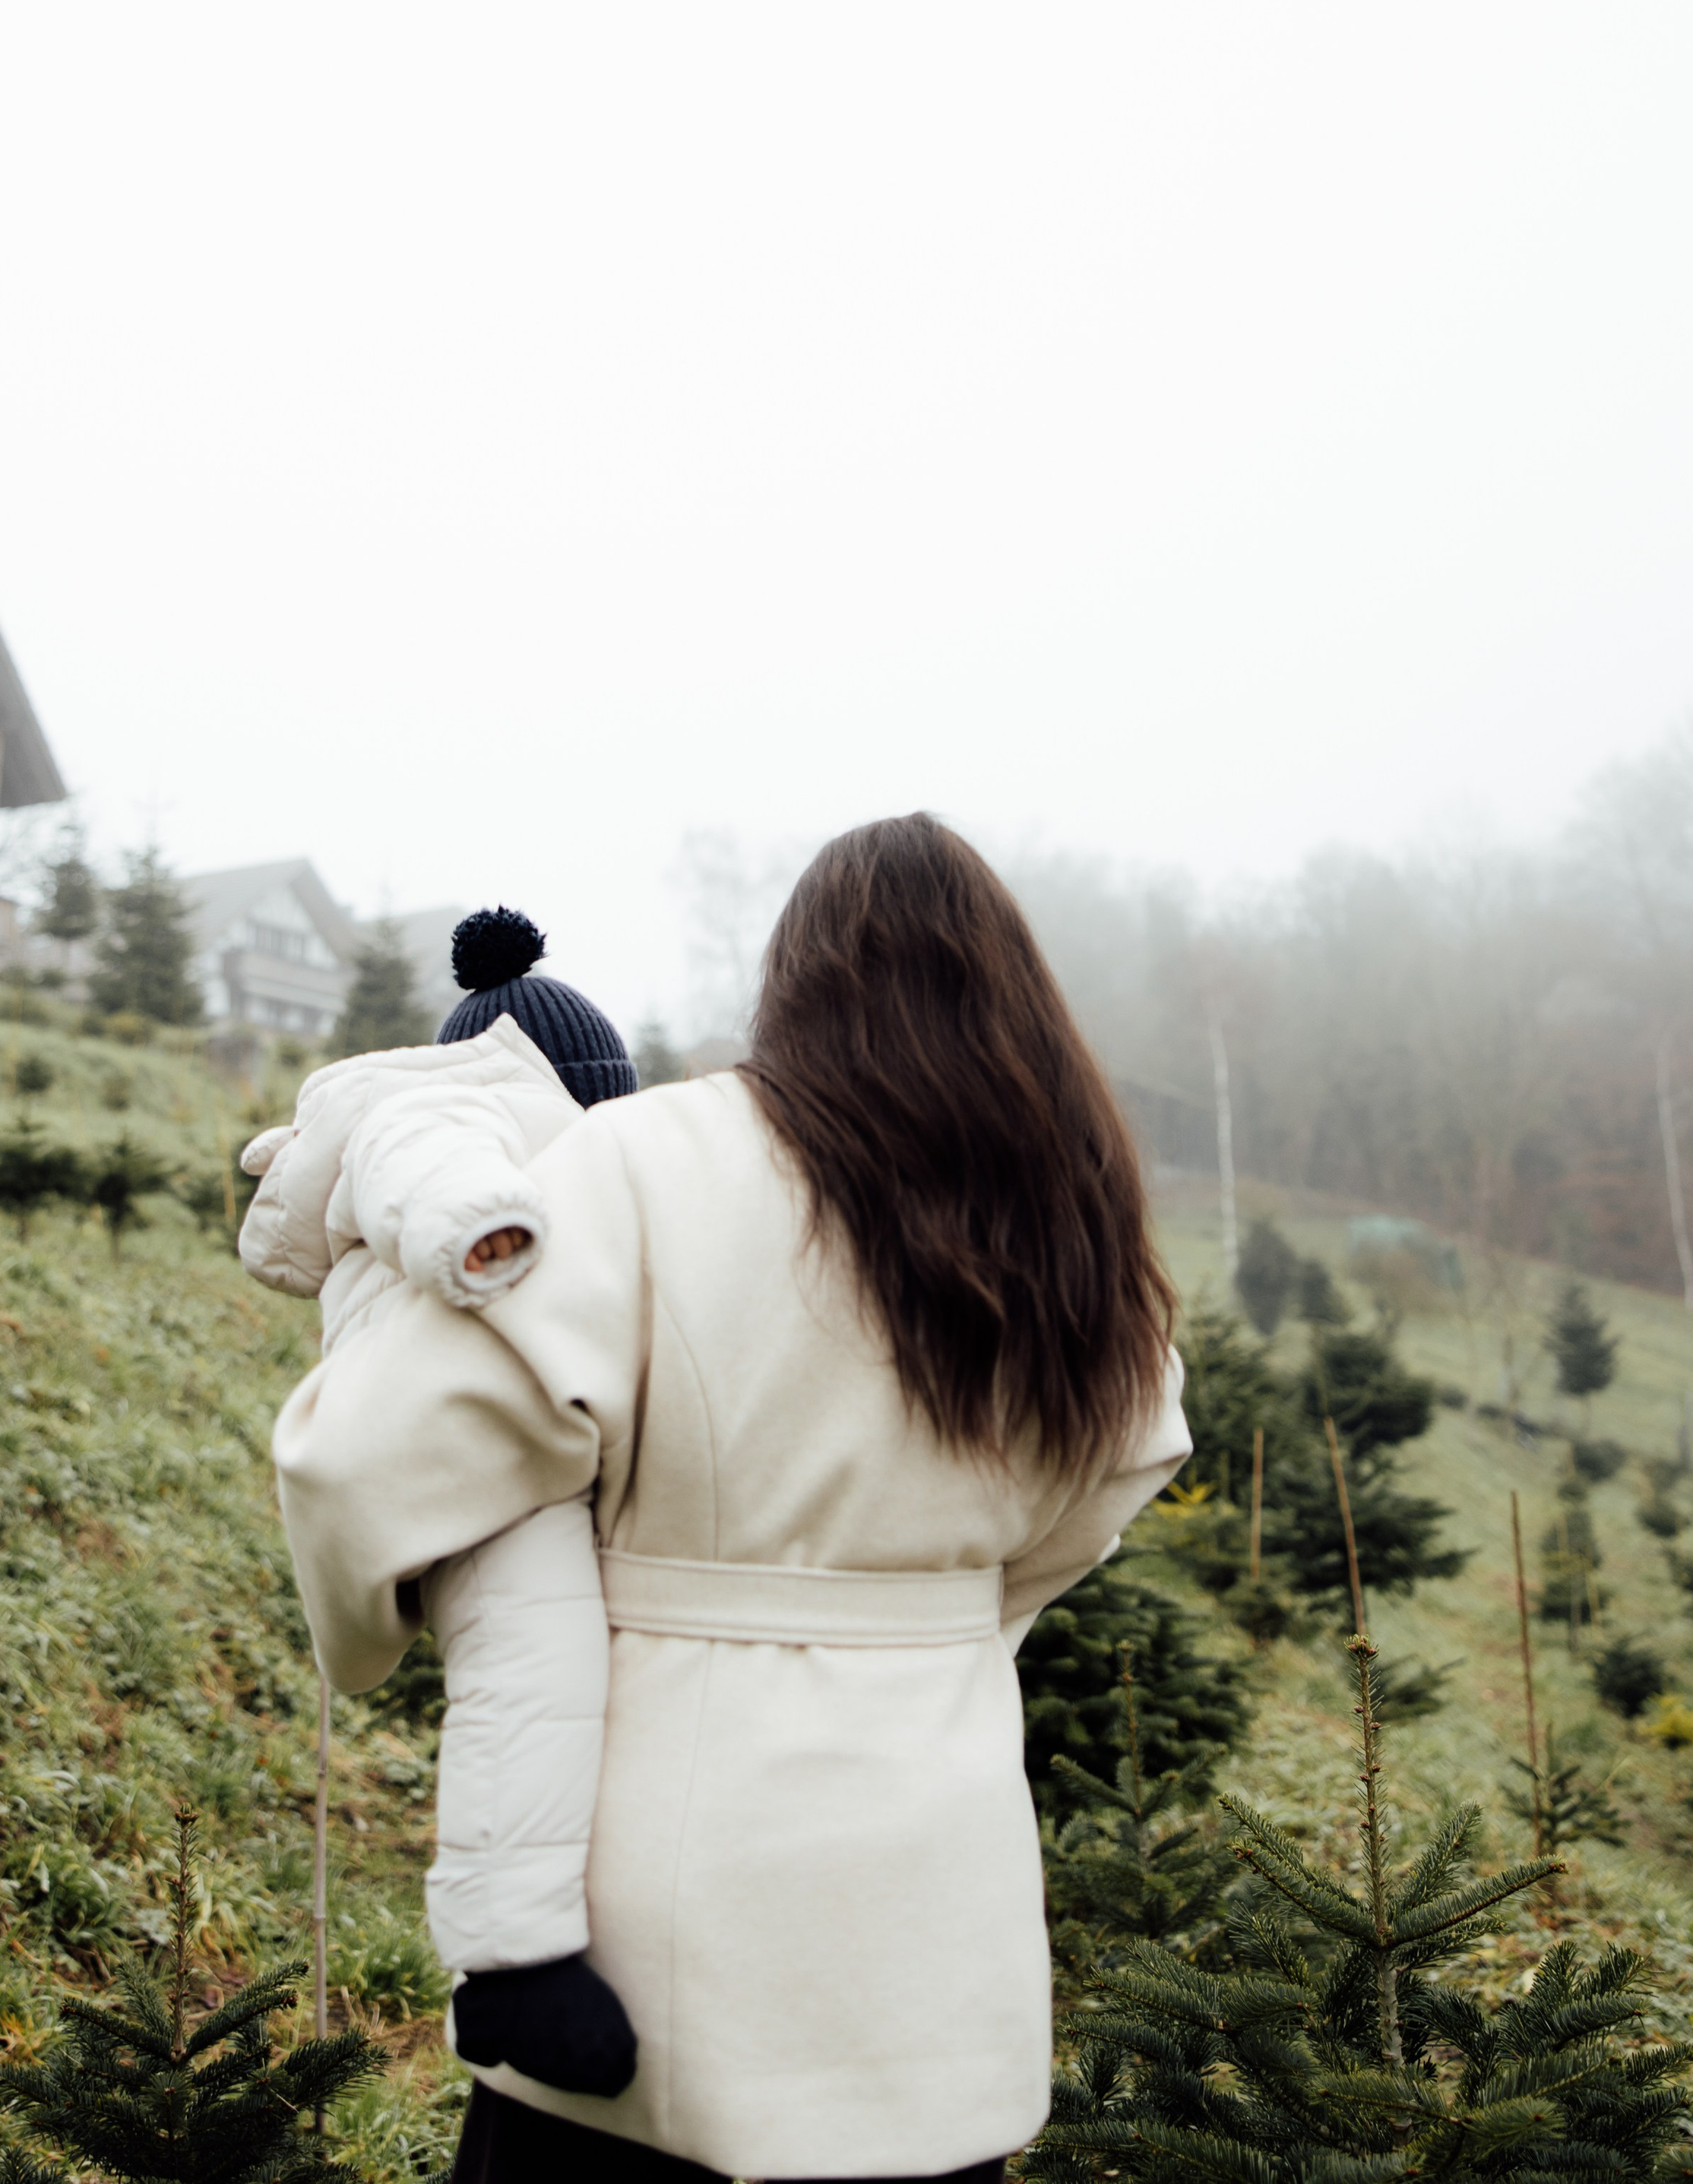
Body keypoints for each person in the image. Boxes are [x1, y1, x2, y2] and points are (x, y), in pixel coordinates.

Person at [271, 817, 1191, 2182]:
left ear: (794, 981)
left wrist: (375, 1619)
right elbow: (1121, 1466)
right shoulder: (1074, 1214)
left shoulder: (652, 1160)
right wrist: (936, 1623)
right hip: (940, 1900)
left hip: (665, 1897)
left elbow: (373, 1452)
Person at [239, 907, 643, 2097]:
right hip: (460, 1444)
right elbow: (431, 1165)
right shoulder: (444, 1112)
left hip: (466, 1418)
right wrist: (486, 1234)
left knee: (533, 1655)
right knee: (531, 1648)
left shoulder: (460, 1112)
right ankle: (513, 1959)